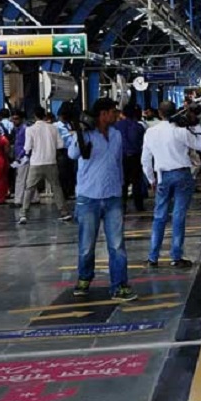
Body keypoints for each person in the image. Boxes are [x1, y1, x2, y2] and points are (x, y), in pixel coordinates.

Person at [69, 98, 137, 301]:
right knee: (87, 243)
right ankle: (84, 278)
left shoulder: (116, 134)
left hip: (113, 195)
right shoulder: (86, 134)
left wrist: (122, 187)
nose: (116, 115)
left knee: (117, 244)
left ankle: (119, 285)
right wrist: (79, 133)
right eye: (113, 112)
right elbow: (73, 154)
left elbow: (118, 163)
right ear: (103, 114)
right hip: (88, 197)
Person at [141, 101, 201, 269]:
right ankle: (176, 257)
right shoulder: (181, 132)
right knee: (178, 216)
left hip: (162, 176)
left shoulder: (150, 132)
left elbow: (145, 160)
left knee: (159, 216)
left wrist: (151, 180)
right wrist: (196, 126)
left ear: (159, 113)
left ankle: (152, 258)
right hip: (182, 175)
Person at [19, 107, 70, 225]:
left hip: (36, 163)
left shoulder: (30, 130)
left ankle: (23, 214)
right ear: (45, 115)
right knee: (56, 187)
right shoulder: (53, 128)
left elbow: (27, 147)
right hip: (51, 162)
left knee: (29, 189)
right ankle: (64, 212)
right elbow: (61, 145)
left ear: (34, 117)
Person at [114, 104, 147, 213]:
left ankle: (122, 206)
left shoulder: (116, 126)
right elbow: (142, 143)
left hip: (121, 158)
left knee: (122, 182)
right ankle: (139, 206)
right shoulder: (139, 127)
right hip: (136, 157)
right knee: (137, 182)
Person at [56, 106, 79, 200]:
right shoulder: (57, 125)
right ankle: (64, 193)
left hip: (71, 149)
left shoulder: (69, 125)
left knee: (71, 172)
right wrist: (71, 133)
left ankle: (70, 191)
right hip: (62, 151)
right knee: (63, 173)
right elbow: (63, 135)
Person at [11, 110, 29, 206]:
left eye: (16, 119)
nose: (14, 121)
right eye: (13, 119)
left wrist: (20, 155)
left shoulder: (24, 129)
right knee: (26, 179)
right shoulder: (18, 129)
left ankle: (18, 200)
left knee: (20, 178)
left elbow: (26, 144)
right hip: (20, 156)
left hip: (23, 157)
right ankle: (34, 198)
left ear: (21, 119)